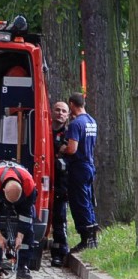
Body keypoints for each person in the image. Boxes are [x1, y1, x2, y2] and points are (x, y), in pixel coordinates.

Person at [0, 161, 37, 279]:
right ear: (4, 190)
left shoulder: (29, 185)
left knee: (28, 230)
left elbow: (26, 214)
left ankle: (23, 266)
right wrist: (0, 237)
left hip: (22, 198)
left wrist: (20, 237)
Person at [59, 92, 98, 251]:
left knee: (79, 202)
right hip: (89, 165)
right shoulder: (91, 121)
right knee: (88, 199)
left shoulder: (76, 124)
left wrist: (63, 148)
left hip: (78, 167)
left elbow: (72, 148)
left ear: (72, 105)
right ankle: (92, 236)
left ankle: (85, 238)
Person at [51, 101, 70, 267]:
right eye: (57, 110)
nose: (60, 113)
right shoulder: (43, 129)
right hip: (44, 179)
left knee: (59, 219)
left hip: (61, 182)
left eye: (64, 111)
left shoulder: (69, 134)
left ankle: (59, 254)